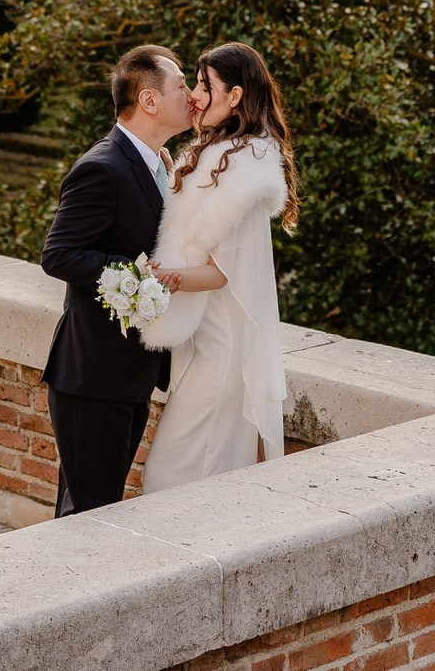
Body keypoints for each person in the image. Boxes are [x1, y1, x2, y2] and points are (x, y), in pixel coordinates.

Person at [138, 42, 298, 492]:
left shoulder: (247, 169)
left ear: (235, 95)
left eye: (205, 86)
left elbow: (221, 273)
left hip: (221, 351)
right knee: (182, 474)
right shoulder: (217, 151)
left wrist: (155, 281)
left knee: (173, 474)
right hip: (200, 339)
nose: (195, 96)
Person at [39, 44, 191, 516]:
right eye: (183, 86)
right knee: (87, 512)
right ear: (149, 101)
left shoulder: (160, 163)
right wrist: (134, 280)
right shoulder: (101, 167)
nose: (192, 95)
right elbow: (58, 254)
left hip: (130, 373)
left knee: (97, 508)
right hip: (92, 376)